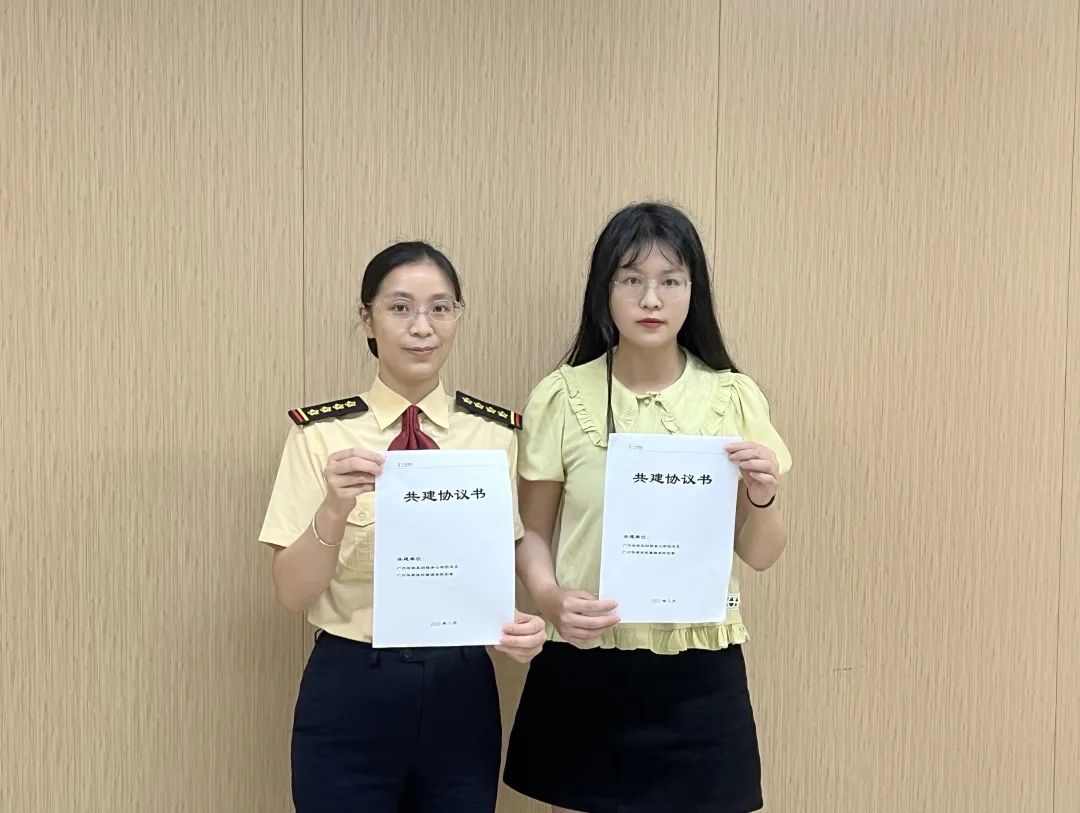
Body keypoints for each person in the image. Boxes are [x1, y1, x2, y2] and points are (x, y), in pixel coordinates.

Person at [504, 203, 792, 813]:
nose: (651, 299)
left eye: (670, 280)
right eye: (631, 279)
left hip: (699, 668)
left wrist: (763, 493)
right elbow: (531, 532)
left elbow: (761, 554)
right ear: (604, 290)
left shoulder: (732, 397)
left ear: (694, 291)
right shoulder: (563, 395)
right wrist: (550, 599)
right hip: (587, 660)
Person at [258, 241, 546, 813]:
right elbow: (292, 593)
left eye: (440, 308)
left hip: (460, 686)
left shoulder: (494, 435)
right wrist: (333, 508)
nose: (422, 327)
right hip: (351, 685)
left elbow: (503, 562)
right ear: (366, 318)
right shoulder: (320, 436)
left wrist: (524, 628)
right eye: (400, 308)